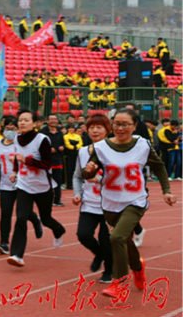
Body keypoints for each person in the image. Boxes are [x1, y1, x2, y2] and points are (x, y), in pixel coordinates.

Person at [82, 108, 175, 298]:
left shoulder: (143, 145)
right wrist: (89, 170)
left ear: (134, 126)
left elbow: (159, 167)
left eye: (125, 124)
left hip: (135, 200)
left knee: (116, 238)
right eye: (116, 123)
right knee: (124, 240)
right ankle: (138, 268)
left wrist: (166, 191)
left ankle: (120, 283)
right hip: (110, 202)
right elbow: (88, 172)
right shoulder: (101, 148)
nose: (120, 128)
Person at [7, 110, 66, 267]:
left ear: (35, 123)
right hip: (24, 185)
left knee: (46, 219)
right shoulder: (17, 139)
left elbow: (47, 164)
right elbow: (16, 158)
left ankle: (59, 229)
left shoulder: (42, 140)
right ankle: (17, 255)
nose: (22, 123)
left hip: (43, 186)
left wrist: (27, 160)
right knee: (21, 218)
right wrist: (14, 171)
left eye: (26, 120)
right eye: (20, 120)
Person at [0, 117, 43, 255]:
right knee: (5, 213)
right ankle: (4, 242)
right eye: (7, 128)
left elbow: (31, 158)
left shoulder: (21, 143)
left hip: (22, 183)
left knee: (23, 213)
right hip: (5, 184)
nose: (10, 131)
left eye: (13, 128)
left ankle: (35, 220)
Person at [72, 114, 113, 283]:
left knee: (106, 240)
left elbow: (119, 177)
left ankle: (109, 271)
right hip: (89, 203)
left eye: (99, 127)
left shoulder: (114, 151)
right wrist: (77, 193)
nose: (95, 131)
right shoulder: (83, 151)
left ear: (107, 130)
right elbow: (77, 176)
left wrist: (100, 180)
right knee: (83, 235)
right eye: (91, 128)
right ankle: (99, 255)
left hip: (110, 204)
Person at [40, 114, 65, 206]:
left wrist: (59, 149)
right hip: (46, 161)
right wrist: (49, 149)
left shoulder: (60, 132)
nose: (54, 121)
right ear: (47, 120)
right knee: (46, 182)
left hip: (57, 161)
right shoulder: (42, 132)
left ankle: (57, 200)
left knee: (58, 181)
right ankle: (46, 200)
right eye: (51, 119)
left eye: (55, 119)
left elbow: (62, 146)